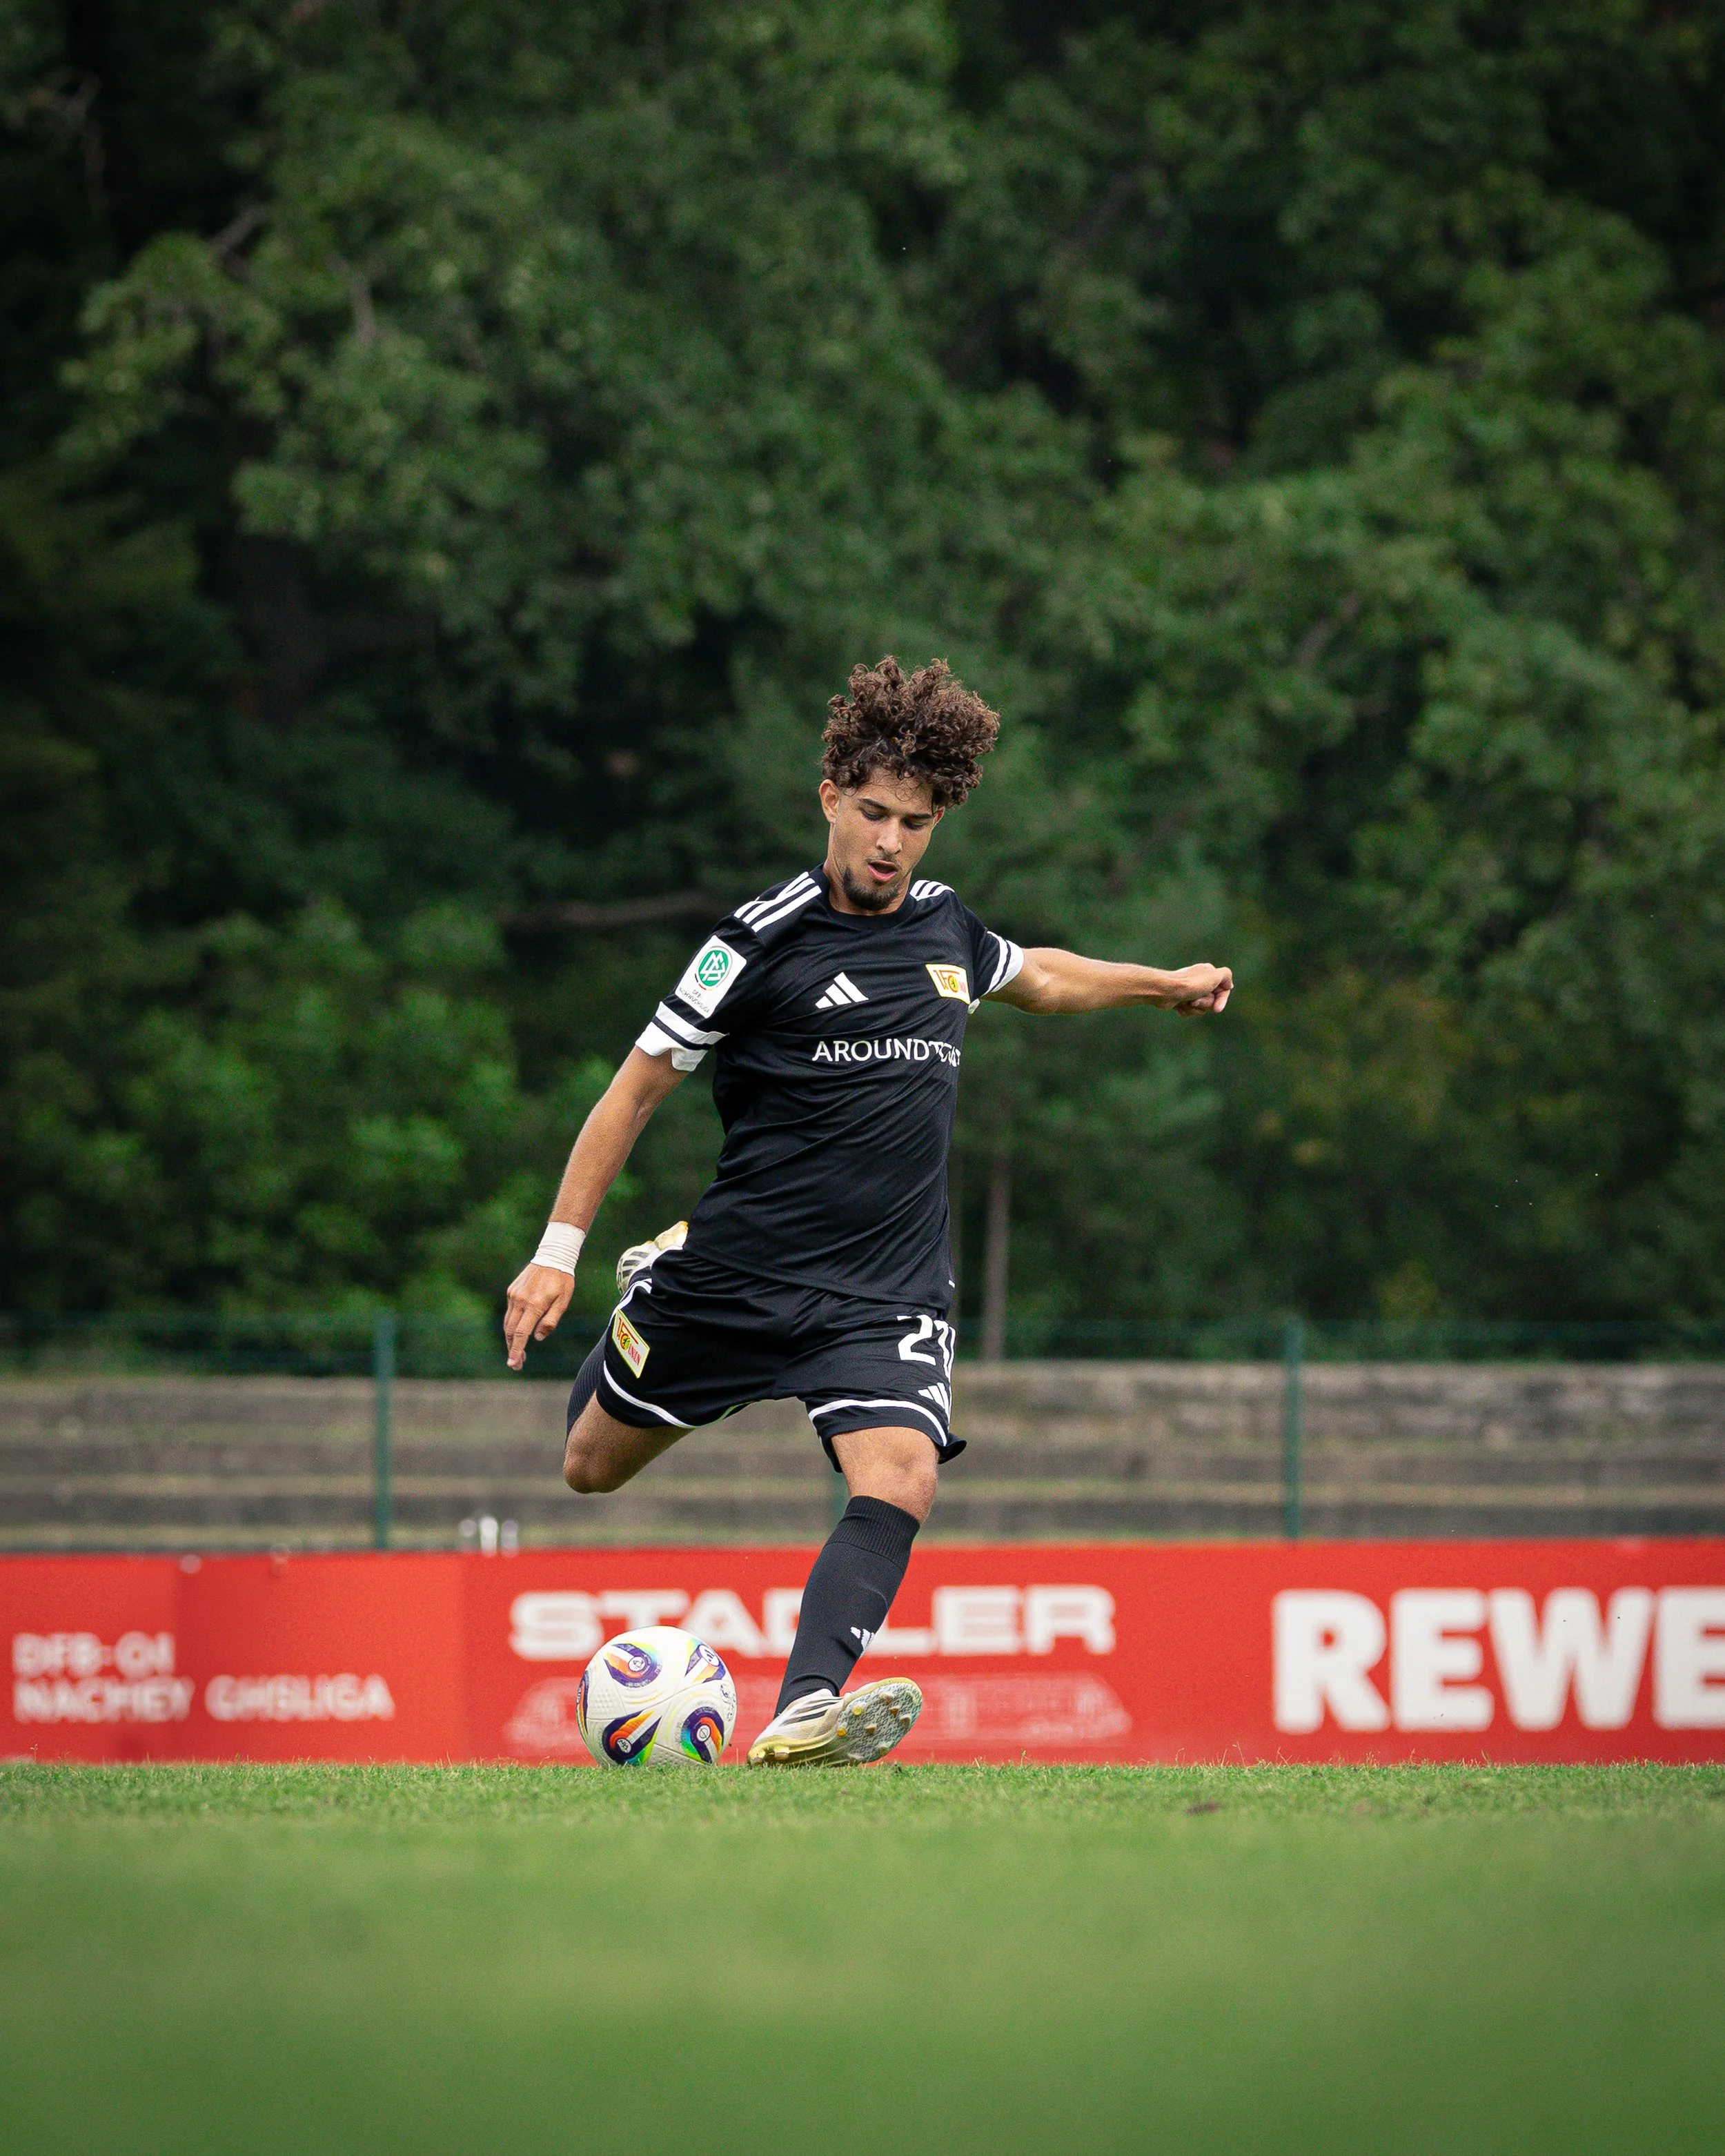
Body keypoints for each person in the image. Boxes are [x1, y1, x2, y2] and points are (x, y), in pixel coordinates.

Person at [502, 657, 1232, 1767]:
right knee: (589, 1468)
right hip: (740, 1272)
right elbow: (634, 1087)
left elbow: (1036, 975)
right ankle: (656, 1280)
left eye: (919, 823)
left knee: (902, 1473)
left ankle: (805, 1707)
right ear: (832, 799)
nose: (894, 842)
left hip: (883, 1289)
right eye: (877, 814)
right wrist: (558, 1253)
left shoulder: (944, 928)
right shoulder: (756, 943)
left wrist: (1162, 983)